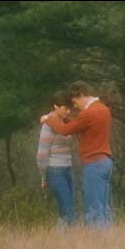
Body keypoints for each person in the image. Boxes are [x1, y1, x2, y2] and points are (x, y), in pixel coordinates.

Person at [44, 80, 113, 227]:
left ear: (80, 95)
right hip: (106, 162)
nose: (75, 107)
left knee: (93, 207)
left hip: (93, 163)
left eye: (75, 102)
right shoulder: (103, 109)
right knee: (104, 207)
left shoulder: (89, 113)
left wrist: (48, 119)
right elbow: (80, 125)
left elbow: (65, 130)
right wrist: (66, 119)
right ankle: (109, 241)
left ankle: (96, 243)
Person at [36, 92, 76, 227]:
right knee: (67, 209)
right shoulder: (48, 125)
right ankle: (69, 241)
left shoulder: (64, 123)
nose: (68, 111)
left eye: (70, 108)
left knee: (67, 208)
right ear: (55, 106)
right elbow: (42, 153)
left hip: (67, 168)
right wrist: (43, 177)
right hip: (54, 170)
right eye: (65, 108)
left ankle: (61, 242)